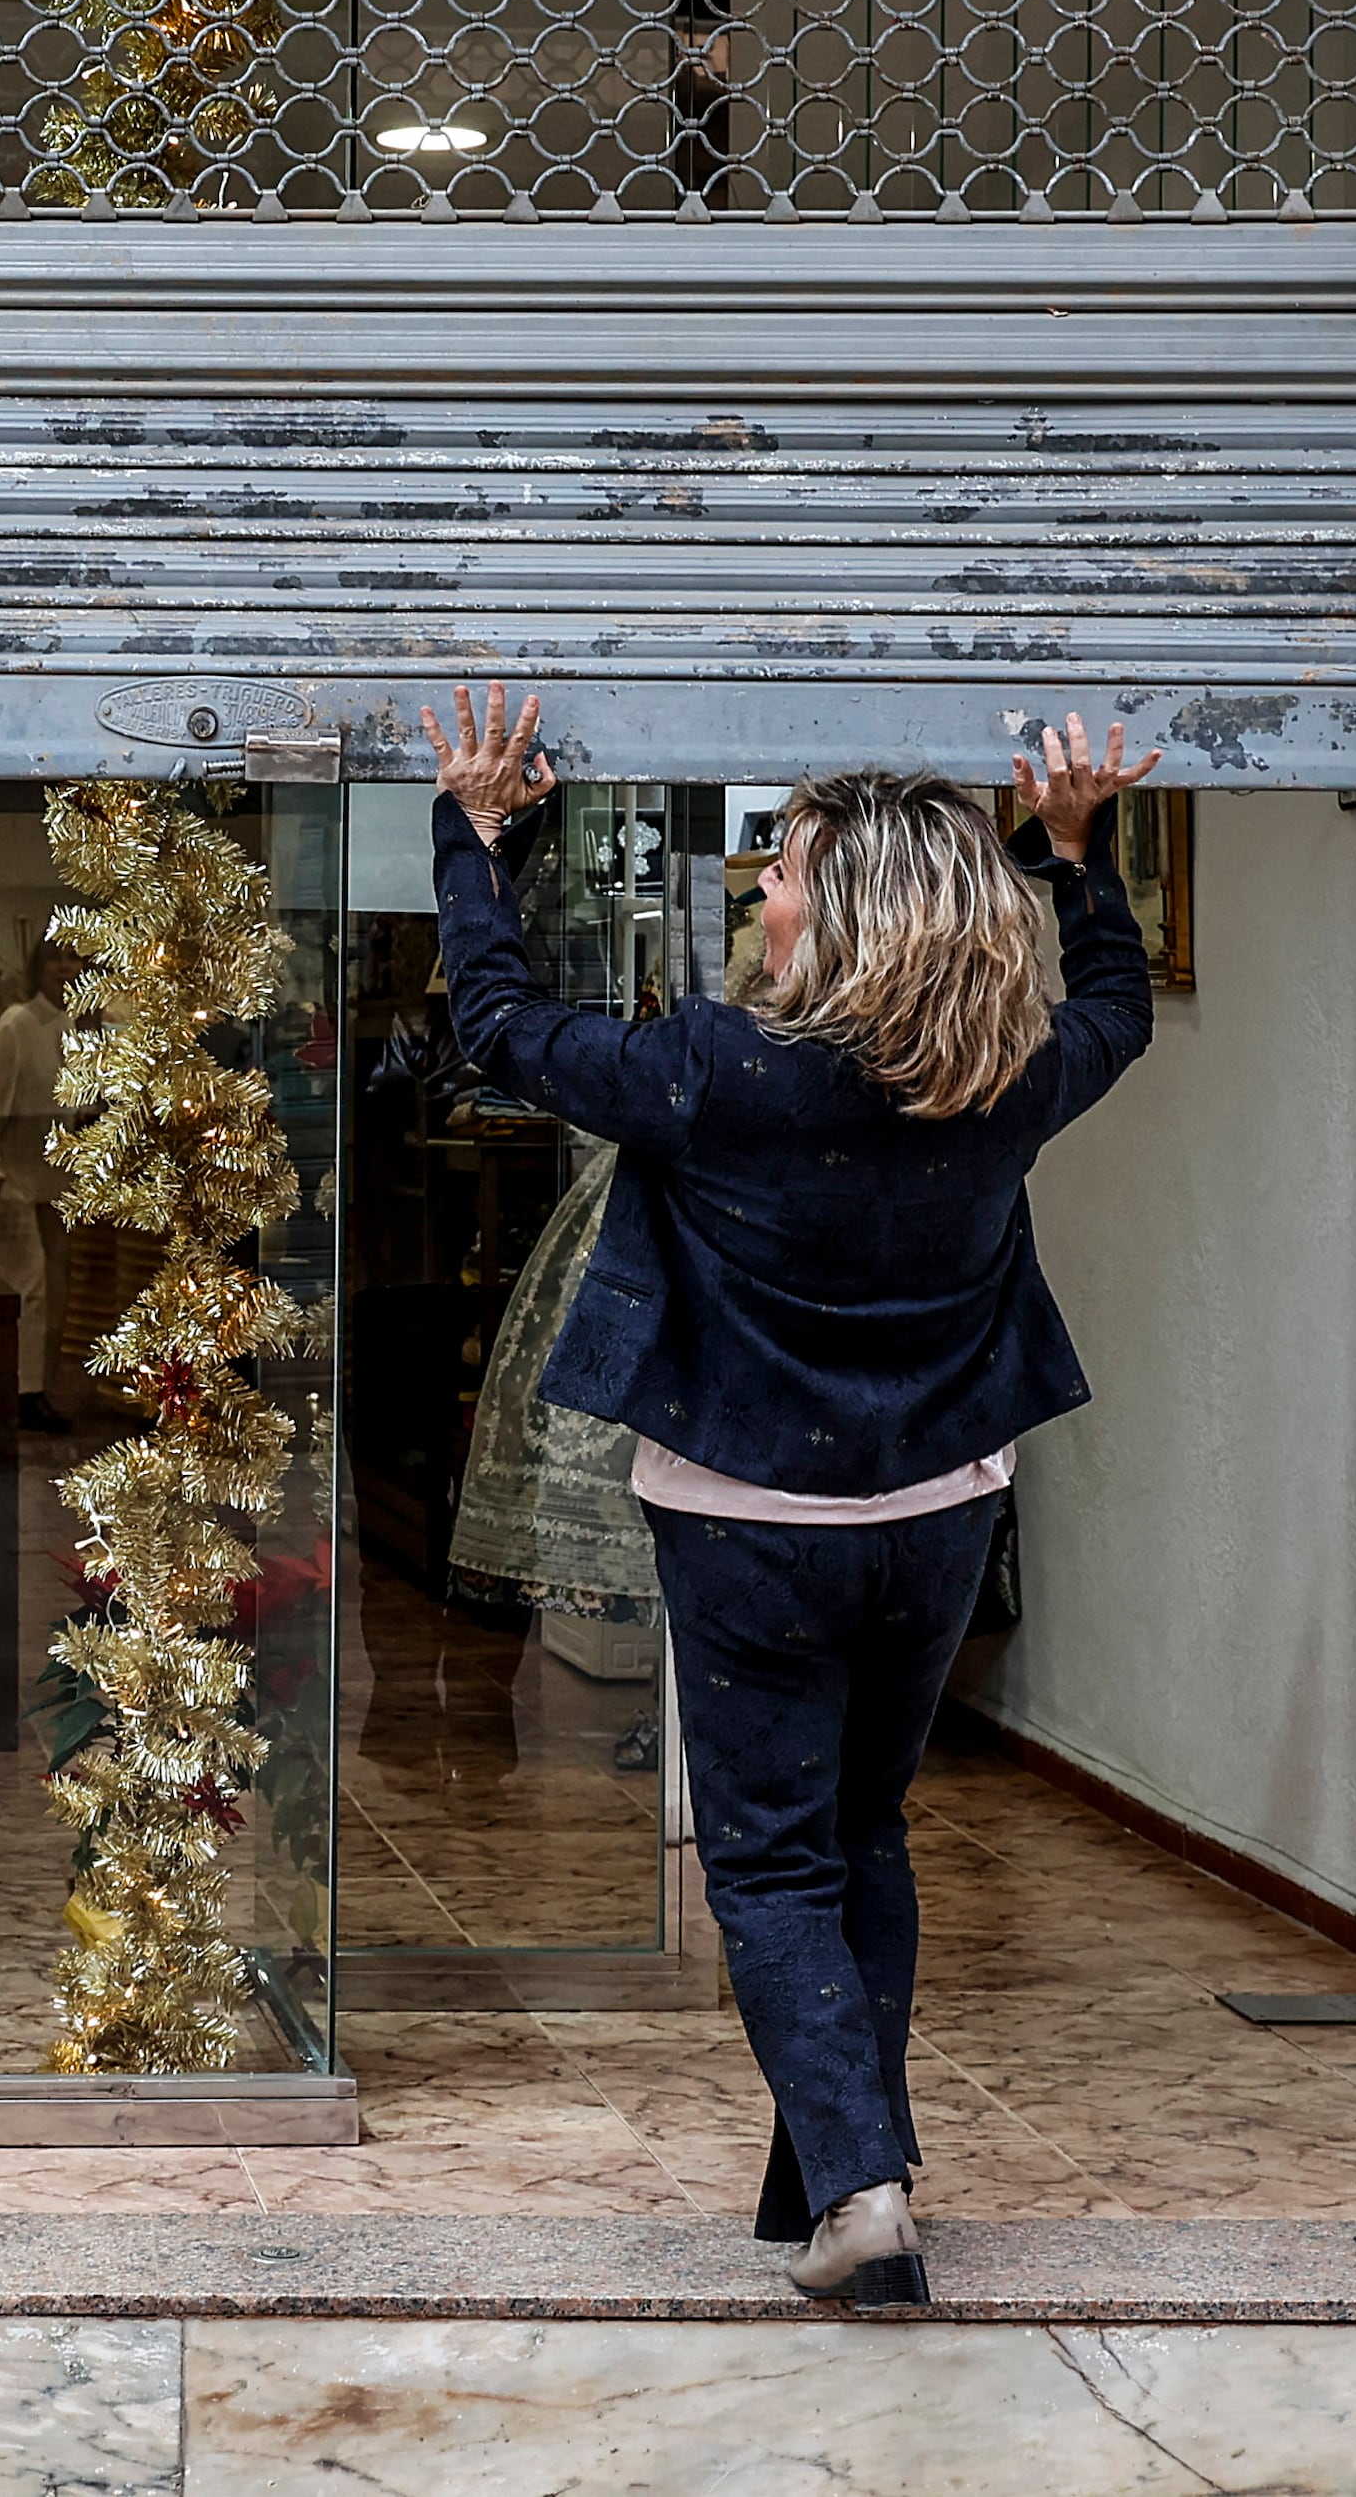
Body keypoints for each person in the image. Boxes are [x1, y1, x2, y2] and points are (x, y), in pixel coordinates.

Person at [422, 684, 1162, 2306]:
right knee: (859, 1830)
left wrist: (477, 836)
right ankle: (827, 2174)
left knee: (766, 1858)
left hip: (748, 1514)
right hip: (940, 1506)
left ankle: (865, 2190)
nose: (760, 884)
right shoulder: (1013, 1071)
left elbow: (500, 1027)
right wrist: (1076, 853)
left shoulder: (713, 1068)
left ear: (854, 908)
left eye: (787, 867)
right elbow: (1120, 999)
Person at [0, 942, 87, 1428]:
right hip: (12, 1179)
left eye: (75, 959)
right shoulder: (15, 1025)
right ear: (37, 968)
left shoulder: (75, 1027)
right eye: (56, 959)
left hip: (55, 1179)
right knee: (27, 1285)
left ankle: (36, 1386)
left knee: (54, 1288)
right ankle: (20, 1392)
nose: (66, 969)